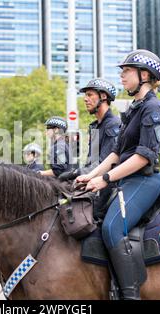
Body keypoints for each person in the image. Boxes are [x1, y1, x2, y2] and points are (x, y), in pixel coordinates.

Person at [76, 49, 160, 299]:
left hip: (144, 180)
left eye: (127, 71)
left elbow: (144, 156)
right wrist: (90, 176)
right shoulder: (135, 108)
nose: (122, 76)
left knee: (112, 228)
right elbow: (116, 153)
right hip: (125, 179)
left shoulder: (153, 109)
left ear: (145, 75)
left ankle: (129, 295)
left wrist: (104, 179)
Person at [59, 78, 122, 218]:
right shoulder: (95, 126)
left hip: (107, 187)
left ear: (103, 97)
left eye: (89, 94)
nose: (85, 99)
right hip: (93, 182)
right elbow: (91, 162)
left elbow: (105, 163)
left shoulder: (113, 125)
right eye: (85, 95)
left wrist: (74, 173)